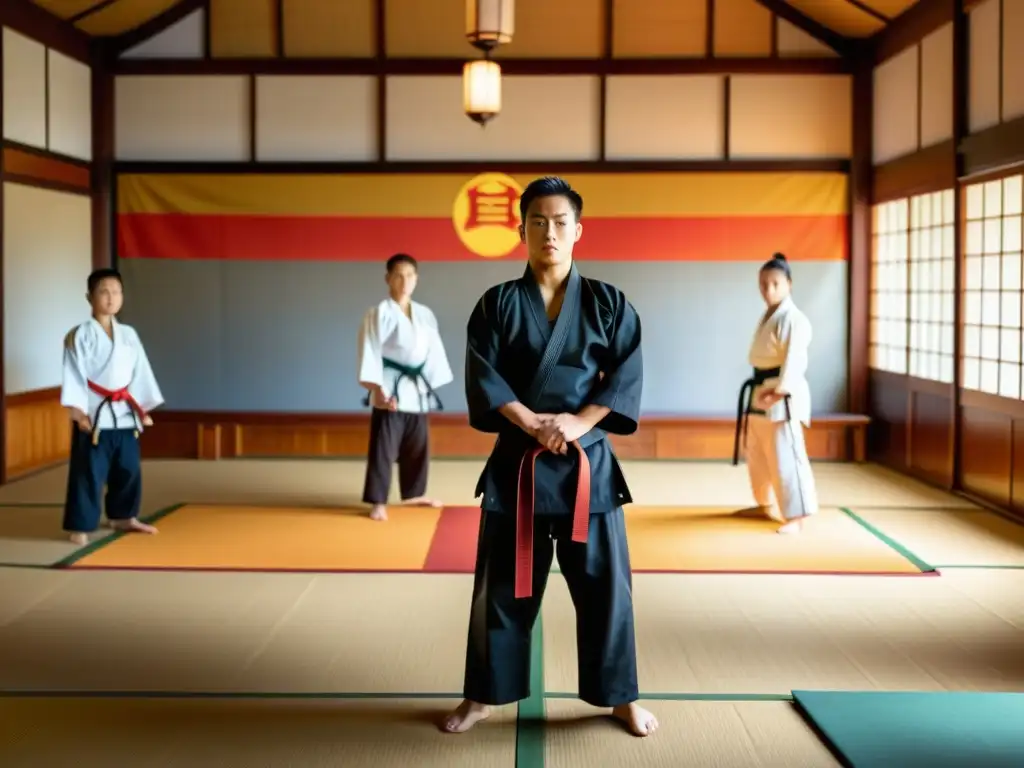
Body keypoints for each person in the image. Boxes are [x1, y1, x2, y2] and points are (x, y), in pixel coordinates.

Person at [442, 176, 658, 738]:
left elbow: (626, 373)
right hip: (518, 464)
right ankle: (483, 695)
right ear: (521, 230)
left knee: (608, 588)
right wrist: (533, 423)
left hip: (588, 467)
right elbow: (482, 374)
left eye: (561, 222)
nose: (550, 233)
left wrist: (578, 422)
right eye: (538, 221)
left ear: (578, 231)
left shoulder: (610, 303)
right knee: (501, 588)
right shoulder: (497, 304)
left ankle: (620, 697)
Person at [61, 268, 164, 547]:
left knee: (128, 468)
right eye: (104, 292)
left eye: (116, 292)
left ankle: (124, 516)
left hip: (126, 414)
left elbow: (140, 372)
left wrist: (142, 407)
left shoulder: (129, 334)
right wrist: (78, 411)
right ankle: (81, 524)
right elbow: (73, 374)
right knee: (89, 472)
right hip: (95, 415)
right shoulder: (79, 335)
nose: (111, 298)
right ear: (89, 297)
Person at [357, 253, 453, 522]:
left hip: (416, 388)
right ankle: (378, 500)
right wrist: (378, 388)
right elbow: (371, 350)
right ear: (388, 278)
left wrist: (430, 384)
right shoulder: (378, 313)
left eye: (410, 275)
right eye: (398, 275)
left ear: (416, 279)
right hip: (390, 387)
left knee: (417, 445)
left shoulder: (425, 314)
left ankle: (413, 494)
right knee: (383, 447)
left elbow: (433, 351)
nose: (404, 281)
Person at [731, 252, 819, 534]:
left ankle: (798, 515)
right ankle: (764, 503)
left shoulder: (795, 319)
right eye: (763, 284)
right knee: (758, 454)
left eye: (775, 284)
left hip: (782, 395)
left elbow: (795, 359)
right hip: (761, 390)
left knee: (785, 456)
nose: (768, 290)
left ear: (788, 284)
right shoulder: (769, 316)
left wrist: (780, 391)